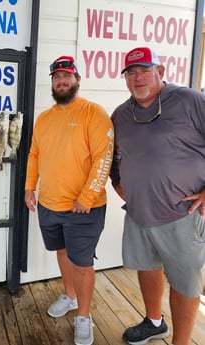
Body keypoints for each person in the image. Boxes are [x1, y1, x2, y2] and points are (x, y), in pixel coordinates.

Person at [110, 46, 205, 345]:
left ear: (160, 72)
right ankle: (154, 322)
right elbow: (114, 158)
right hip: (139, 213)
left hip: (183, 215)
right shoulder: (121, 114)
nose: (137, 78)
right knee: (147, 267)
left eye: (144, 71)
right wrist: (118, 183)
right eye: (131, 73)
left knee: (185, 284)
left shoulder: (190, 100)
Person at [24, 55, 114, 345]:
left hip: (83, 209)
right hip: (49, 205)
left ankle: (84, 317)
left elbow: (104, 156)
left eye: (67, 76)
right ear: (52, 82)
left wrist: (87, 197)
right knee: (62, 253)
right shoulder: (45, 118)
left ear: (77, 80)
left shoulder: (93, 112)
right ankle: (71, 296)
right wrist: (29, 187)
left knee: (82, 264)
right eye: (56, 77)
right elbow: (34, 154)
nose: (61, 81)